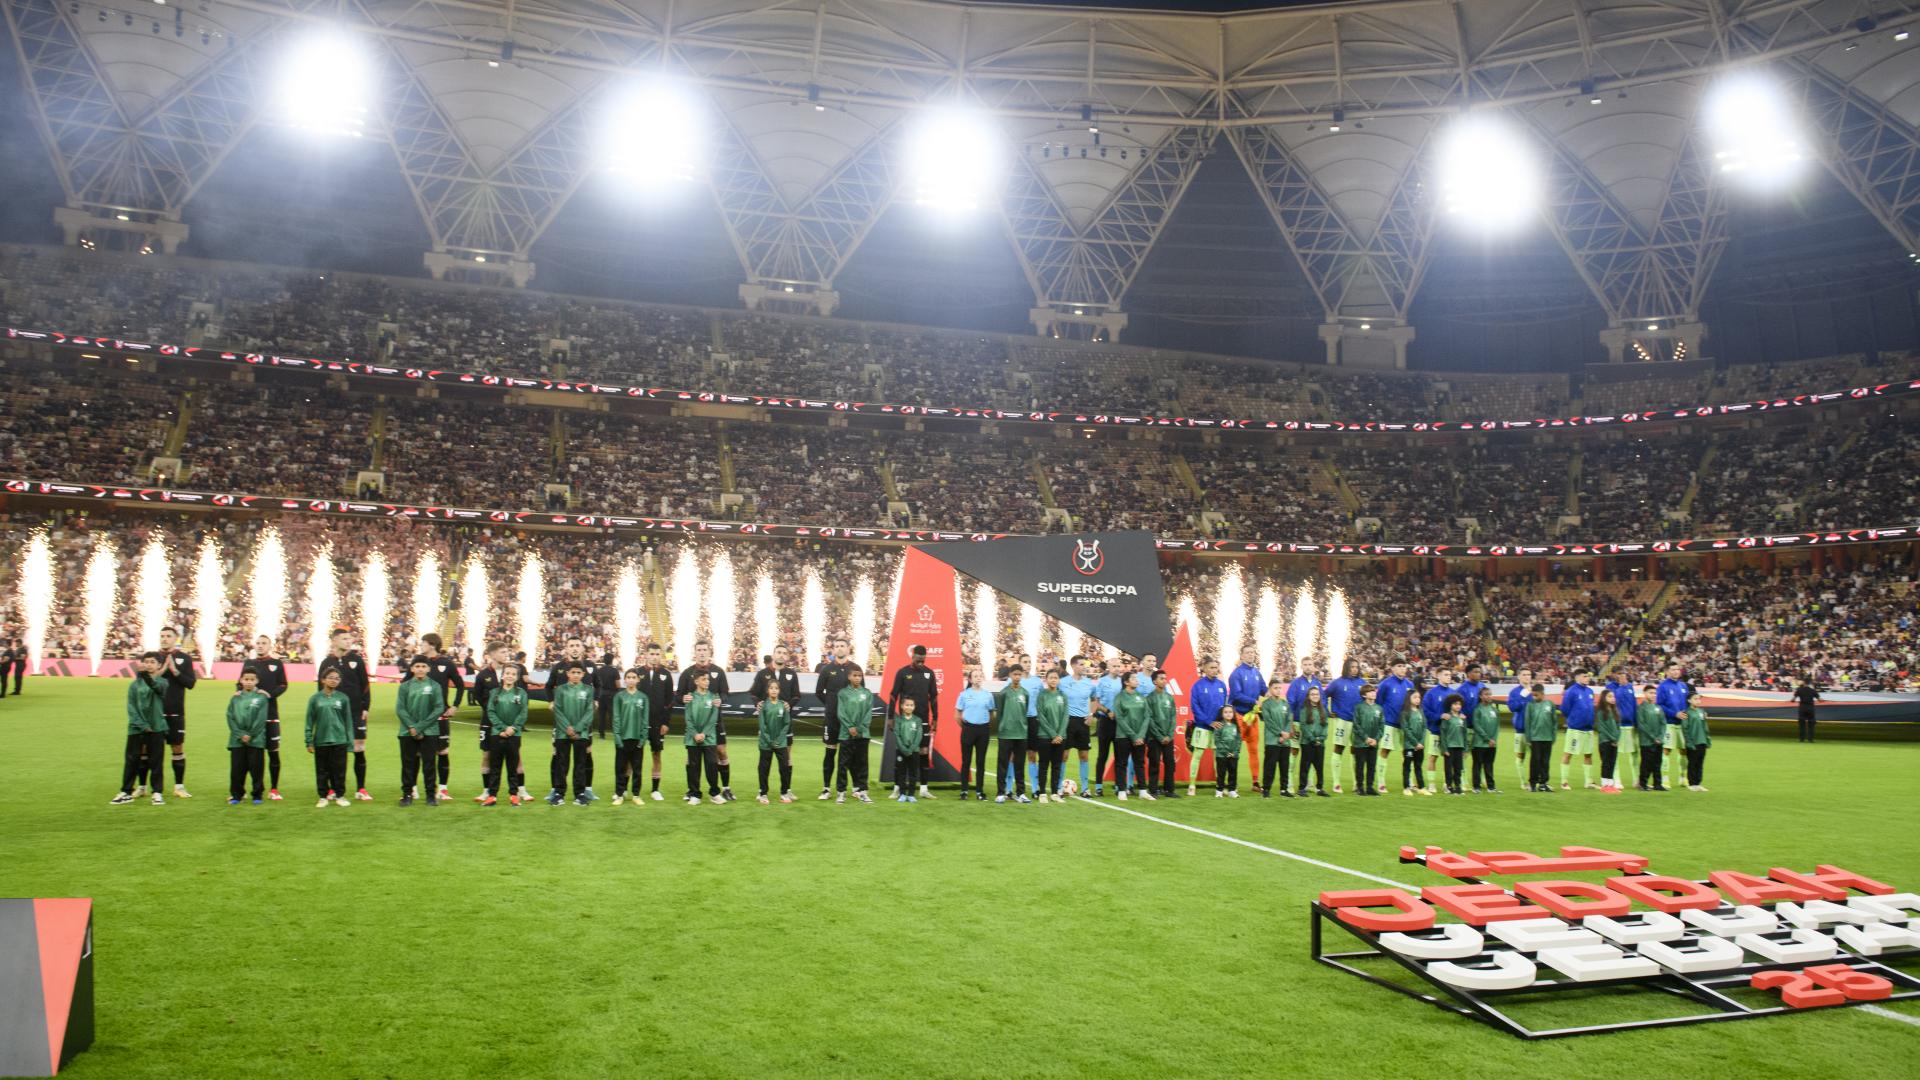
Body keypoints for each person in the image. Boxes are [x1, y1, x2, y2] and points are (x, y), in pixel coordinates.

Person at [317, 629, 374, 802]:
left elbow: (365, 685)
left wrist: (365, 707)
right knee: (334, 751)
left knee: (359, 748)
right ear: (334, 640)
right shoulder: (326, 662)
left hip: (356, 712)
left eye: (350, 638)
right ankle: (333, 789)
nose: (349, 641)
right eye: (344, 638)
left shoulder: (357, 660)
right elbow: (320, 689)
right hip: (333, 713)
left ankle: (361, 788)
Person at [112, 652, 170, 805]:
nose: (149, 664)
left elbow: (157, 688)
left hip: (156, 727)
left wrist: (145, 676)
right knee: (131, 760)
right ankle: (126, 791)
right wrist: (142, 725)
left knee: (156, 762)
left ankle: (157, 792)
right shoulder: (134, 685)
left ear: (159, 665)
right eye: (146, 662)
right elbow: (131, 707)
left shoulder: (163, 682)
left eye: (152, 662)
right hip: (136, 728)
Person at [678, 641, 733, 800]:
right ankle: (692, 790)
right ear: (695, 652)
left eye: (704, 650)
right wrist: (682, 698)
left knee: (721, 751)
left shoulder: (718, 671)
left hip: (714, 719)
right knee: (692, 757)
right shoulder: (687, 673)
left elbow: (725, 693)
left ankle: (726, 788)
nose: (702, 652)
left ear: (709, 652)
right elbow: (679, 695)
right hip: (695, 722)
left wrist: (721, 699)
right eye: (699, 650)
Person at [885, 644, 939, 800]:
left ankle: (923, 789)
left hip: (923, 720)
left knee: (923, 753)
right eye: (918, 659)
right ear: (913, 656)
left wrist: (935, 718)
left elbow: (934, 697)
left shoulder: (929, 673)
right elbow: (893, 695)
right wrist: (890, 717)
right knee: (902, 753)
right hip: (904, 721)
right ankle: (897, 788)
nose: (921, 662)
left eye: (923, 660)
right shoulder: (903, 672)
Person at [238, 636, 289, 800]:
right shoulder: (249, 663)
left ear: (270, 646)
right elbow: (239, 684)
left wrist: (269, 694)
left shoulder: (276, 663)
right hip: (251, 717)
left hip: (270, 715)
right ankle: (243, 790)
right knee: (249, 755)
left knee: (273, 752)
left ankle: (274, 789)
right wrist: (240, 693)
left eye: (264, 643)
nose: (260, 646)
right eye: (258, 643)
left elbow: (283, 685)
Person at [413, 633, 461, 801]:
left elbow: (460, 685)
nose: (421, 646)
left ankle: (443, 789)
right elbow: (406, 683)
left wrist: (454, 705)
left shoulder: (446, 663)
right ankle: (413, 788)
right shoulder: (418, 662)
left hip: (440, 716)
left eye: (423, 643)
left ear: (432, 645)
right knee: (418, 753)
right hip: (420, 716)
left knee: (443, 751)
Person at [156, 626, 198, 799]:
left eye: (168, 636)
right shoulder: (153, 657)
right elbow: (143, 680)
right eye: (162, 636)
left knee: (177, 748)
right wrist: (161, 670)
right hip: (155, 713)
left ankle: (179, 787)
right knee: (149, 750)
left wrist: (175, 671)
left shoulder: (184, 658)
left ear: (175, 639)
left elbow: (191, 683)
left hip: (175, 712)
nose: (164, 639)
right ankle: (145, 787)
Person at [395, 658, 444, 806]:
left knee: (429, 765)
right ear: (412, 669)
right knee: (408, 765)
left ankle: (430, 796)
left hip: (430, 731)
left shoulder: (435, 686)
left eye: (423, 666)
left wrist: (419, 727)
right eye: (417, 666)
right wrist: (411, 726)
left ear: (428, 669)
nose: (420, 669)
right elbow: (400, 709)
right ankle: (407, 795)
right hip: (407, 731)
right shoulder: (405, 686)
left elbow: (439, 708)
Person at [304, 667, 354, 807]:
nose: (333, 680)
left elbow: (348, 721)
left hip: (339, 740)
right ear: (323, 680)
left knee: (339, 770)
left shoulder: (343, 698)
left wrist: (350, 741)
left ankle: (340, 795)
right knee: (322, 771)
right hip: (321, 740)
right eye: (331, 677)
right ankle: (323, 797)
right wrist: (309, 741)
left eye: (337, 678)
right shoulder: (315, 699)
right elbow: (309, 721)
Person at [548, 663, 596, 806]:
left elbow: (589, 711)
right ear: (568, 673)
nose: (576, 675)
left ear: (583, 674)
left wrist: (578, 728)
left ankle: (579, 794)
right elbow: (558, 710)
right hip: (563, 733)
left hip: (581, 734)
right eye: (573, 672)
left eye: (578, 672)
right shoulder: (560, 689)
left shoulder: (588, 690)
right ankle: (559, 793)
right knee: (561, 764)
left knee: (580, 764)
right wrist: (567, 728)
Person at [813, 638, 853, 799]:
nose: (839, 648)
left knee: (849, 754)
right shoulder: (827, 669)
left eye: (842, 646)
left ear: (848, 648)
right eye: (837, 646)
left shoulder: (855, 669)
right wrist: (831, 704)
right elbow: (818, 692)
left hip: (849, 719)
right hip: (832, 719)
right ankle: (826, 788)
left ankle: (853, 788)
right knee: (830, 753)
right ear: (833, 650)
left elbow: (861, 691)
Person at [483, 665, 528, 806]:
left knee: (512, 766)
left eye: (513, 674)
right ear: (502, 675)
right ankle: (492, 796)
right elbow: (490, 711)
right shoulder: (494, 692)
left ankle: (513, 795)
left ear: (517, 677)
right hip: (497, 734)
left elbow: (523, 713)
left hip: (514, 734)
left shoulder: (521, 693)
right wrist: (502, 728)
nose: (510, 676)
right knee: (495, 766)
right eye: (507, 673)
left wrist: (513, 728)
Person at [636, 644, 675, 801]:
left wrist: (665, 722)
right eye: (652, 654)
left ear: (661, 655)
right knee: (633, 755)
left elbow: (669, 701)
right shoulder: (638, 672)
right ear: (646, 654)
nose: (654, 657)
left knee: (656, 754)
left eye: (657, 654)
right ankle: (624, 789)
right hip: (639, 722)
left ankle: (655, 790)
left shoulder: (666, 674)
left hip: (658, 722)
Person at [226, 670, 271, 805]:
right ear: (241, 680)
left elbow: (261, 719)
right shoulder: (235, 698)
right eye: (246, 679)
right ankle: (236, 795)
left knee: (256, 769)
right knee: (237, 770)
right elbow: (230, 717)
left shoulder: (261, 698)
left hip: (256, 740)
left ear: (257, 681)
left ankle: (257, 795)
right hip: (237, 740)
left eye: (252, 679)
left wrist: (250, 734)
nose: (249, 682)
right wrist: (240, 734)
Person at [833, 666, 876, 804]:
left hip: (863, 735)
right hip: (846, 734)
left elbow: (868, 713)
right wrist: (849, 726)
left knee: (862, 763)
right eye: (855, 675)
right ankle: (841, 792)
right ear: (849, 677)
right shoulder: (843, 693)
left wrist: (860, 728)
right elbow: (841, 712)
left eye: (860, 676)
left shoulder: (867, 693)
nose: (857, 678)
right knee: (843, 764)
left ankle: (863, 792)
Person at [683, 669, 725, 805]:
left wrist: (704, 734)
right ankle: (695, 794)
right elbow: (688, 718)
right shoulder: (690, 697)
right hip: (692, 738)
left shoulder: (714, 697)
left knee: (712, 765)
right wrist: (695, 734)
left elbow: (713, 718)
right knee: (693, 767)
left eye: (708, 679)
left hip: (709, 738)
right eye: (704, 679)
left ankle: (714, 793)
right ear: (696, 681)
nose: (707, 682)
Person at [1186, 657, 1227, 797]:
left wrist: (1221, 722)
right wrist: (1208, 721)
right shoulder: (1197, 686)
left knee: (1218, 758)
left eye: (1216, 667)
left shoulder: (1221, 685)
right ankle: (1192, 785)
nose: (1215, 670)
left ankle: (1220, 786)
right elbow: (1195, 707)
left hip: (1218, 727)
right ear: (1204, 668)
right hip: (1203, 727)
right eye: (1212, 668)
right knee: (1197, 755)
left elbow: (1225, 706)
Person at [1373, 660, 1415, 795]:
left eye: (1404, 666)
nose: (1402, 668)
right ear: (1392, 668)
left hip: (1405, 724)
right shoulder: (1386, 684)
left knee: (1408, 752)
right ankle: (1381, 782)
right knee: (1385, 750)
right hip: (1389, 722)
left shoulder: (1410, 684)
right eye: (1399, 666)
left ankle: (1409, 781)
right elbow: (1379, 702)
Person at [1092, 657, 1131, 797]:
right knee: (1102, 755)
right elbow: (1097, 703)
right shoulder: (1102, 681)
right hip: (1105, 721)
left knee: (1119, 755)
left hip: (1119, 723)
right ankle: (1098, 786)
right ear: (1108, 667)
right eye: (1114, 666)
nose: (1116, 668)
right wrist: (1108, 711)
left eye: (1118, 666)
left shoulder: (1123, 682)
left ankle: (1119, 785)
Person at [611, 668, 651, 806]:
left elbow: (645, 720)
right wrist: (617, 737)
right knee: (620, 768)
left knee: (637, 769)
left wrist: (643, 739)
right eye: (628, 677)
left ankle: (636, 795)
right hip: (622, 739)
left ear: (638, 679)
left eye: (634, 677)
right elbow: (616, 718)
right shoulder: (619, 696)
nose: (631, 680)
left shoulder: (643, 697)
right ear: (625, 680)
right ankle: (619, 794)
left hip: (637, 739)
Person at [992, 664, 1031, 804]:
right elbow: (999, 713)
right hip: (1006, 734)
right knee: (1002, 764)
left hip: (1021, 734)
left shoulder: (1025, 693)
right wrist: (1002, 728)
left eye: (1019, 674)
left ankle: (1021, 793)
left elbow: (1025, 711)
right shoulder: (1003, 693)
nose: (1017, 677)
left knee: (1020, 765)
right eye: (1015, 674)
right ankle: (1000, 793)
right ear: (1010, 675)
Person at [1058, 655, 1096, 798]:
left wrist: (1091, 714)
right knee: (1064, 755)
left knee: (1084, 756)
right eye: (1081, 664)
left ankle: (1085, 789)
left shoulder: (1089, 683)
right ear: (1073, 666)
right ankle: (1059, 787)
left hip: (1083, 722)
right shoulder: (1063, 682)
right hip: (1068, 721)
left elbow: (1094, 699)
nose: (1084, 667)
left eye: (1084, 664)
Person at [1325, 659, 1365, 795]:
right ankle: (1336, 783)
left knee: (1356, 751)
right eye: (1352, 667)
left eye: (1356, 667)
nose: (1355, 669)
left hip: (1358, 722)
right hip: (1342, 720)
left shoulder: (1361, 683)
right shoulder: (1337, 683)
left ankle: (1356, 783)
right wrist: (1327, 711)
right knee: (1339, 749)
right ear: (1346, 667)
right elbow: (1324, 695)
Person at [955, 669, 996, 800]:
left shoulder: (988, 695)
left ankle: (979, 791)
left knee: (980, 761)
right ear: (970, 679)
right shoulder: (964, 694)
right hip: (968, 730)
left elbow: (992, 713)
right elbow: (957, 715)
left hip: (983, 730)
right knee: (966, 761)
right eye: (975, 676)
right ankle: (964, 790)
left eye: (980, 676)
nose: (978, 678)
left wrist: (985, 725)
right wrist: (966, 727)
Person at [1109, 670, 1149, 801]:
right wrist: (1134, 736)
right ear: (1126, 682)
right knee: (1122, 763)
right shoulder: (1119, 697)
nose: (1137, 680)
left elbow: (1147, 716)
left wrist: (1141, 735)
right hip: (1123, 736)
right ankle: (1121, 790)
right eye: (1134, 678)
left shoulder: (1141, 697)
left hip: (1139, 737)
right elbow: (1119, 718)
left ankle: (1143, 790)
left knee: (1140, 763)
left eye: (1137, 678)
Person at [755, 680, 795, 804]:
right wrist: (770, 740)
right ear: (767, 690)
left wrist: (779, 739)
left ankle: (784, 793)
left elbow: (786, 723)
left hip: (780, 743)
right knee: (764, 768)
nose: (773, 690)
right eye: (771, 688)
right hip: (766, 743)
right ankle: (763, 793)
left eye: (776, 688)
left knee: (784, 767)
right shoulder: (763, 706)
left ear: (779, 690)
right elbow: (762, 725)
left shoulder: (783, 705)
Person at [1032, 669, 1069, 803]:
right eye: (1051, 677)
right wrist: (1053, 734)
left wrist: (1059, 734)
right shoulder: (1042, 695)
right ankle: (1042, 793)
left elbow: (1065, 716)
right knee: (1043, 765)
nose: (1053, 680)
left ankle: (1054, 793)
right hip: (1044, 736)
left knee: (1057, 765)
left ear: (1059, 680)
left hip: (1060, 737)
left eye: (1056, 678)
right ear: (1046, 680)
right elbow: (1041, 716)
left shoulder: (1063, 696)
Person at [1254, 679, 1294, 797]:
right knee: (1270, 766)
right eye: (1275, 688)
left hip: (1285, 741)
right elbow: (1268, 721)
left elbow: (1289, 720)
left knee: (1284, 766)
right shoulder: (1266, 704)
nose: (1278, 690)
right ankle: (1266, 789)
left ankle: (1284, 790)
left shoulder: (1285, 704)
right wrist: (1280, 733)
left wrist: (1285, 734)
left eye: (1279, 688)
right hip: (1272, 740)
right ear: (1270, 689)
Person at [1559, 671, 1597, 791]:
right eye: (1584, 676)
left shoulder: (1590, 691)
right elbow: (1564, 709)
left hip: (1588, 729)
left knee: (1588, 754)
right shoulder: (1571, 691)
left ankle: (1588, 781)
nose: (1587, 678)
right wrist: (1574, 719)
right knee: (1568, 753)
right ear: (1577, 678)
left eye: (1588, 676)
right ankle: (1564, 782)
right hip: (1575, 729)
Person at [1655, 663, 1690, 790]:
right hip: (1669, 723)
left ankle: (1683, 777)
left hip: (1682, 724)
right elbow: (1660, 705)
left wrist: (1688, 713)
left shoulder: (1683, 686)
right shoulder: (1663, 686)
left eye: (1677, 669)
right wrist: (1674, 713)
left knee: (1684, 750)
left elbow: (1688, 703)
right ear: (1667, 672)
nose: (1676, 671)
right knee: (1666, 750)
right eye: (1673, 669)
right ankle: (1665, 778)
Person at [1605, 669, 1638, 793]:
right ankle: (1616, 779)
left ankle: (1636, 779)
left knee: (1634, 752)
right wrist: (1621, 686)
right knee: (1615, 753)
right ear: (1614, 675)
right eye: (1619, 674)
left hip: (1630, 725)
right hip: (1618, 725)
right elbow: (1611, 704)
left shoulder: (1630, 687)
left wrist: (1636, 722)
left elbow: (1634, 704)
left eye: (1623, 674)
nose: (1622, 676)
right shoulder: (1610, 688)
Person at [1144, 669, 1176, 800]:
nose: (1164, 680)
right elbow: (1149, 719)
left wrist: (1169, 735)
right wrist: (1160, 736)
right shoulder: (1149, 698)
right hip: (1154, 737)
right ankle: (1153, 790)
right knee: (1154, 764)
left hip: (1168, 737)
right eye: (1161, 678)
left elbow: (1173, 717)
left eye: (1165, 678)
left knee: (1170, 764)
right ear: (1154, 681)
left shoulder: (1169, 698)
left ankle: (1169, 789)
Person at [1419, 668, 1451, 795]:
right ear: (1438, 676)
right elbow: (1425, 711)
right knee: (1433, 757)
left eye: (1449, 674)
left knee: (1449, 758)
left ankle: (1447, 784)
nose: (1449, 676)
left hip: (1450, 733)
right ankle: (1431, 784)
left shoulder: (1453, 693)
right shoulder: (1431, 693)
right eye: (1446, 674)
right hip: (1436, 730)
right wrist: (1439, 716)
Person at [888, 697, 926, 804]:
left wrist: (911, 749)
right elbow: (897, 735)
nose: (909, 707)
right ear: (902, 706)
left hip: (914, 751)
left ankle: (911, 795)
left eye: (911, 705)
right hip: (901, 751)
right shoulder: (898, 720)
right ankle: (902, 794)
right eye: (907, 705)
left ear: (914, 707)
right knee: (901, 773)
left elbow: (918, 736)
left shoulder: (917, 720)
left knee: (913, 773)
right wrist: (904, 749)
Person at [1523, 684, 1558, 793]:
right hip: (1535, 738)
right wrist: (1528, 738)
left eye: (1536, 695)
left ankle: (1543, 784)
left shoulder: (1550, 704)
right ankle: (1533, 783)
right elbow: (1527, 722)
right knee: (1535, 761)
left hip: (1547, 738)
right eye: (1533, 695)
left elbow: (1554, 721)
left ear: (1542, 694)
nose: (1534, 697)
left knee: (1545, 762)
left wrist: (1553, 736)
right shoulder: (1530, 705)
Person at [1350, 683, 1383, 797]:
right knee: (1360, 766)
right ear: (1364, 695)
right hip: (1361, 743)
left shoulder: (1379, 708)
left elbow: (1381, 726)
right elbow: (1356, 725)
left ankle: (1370, 787)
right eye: (1370, 691)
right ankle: (1360, 787)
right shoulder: (1359, 707)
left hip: (1374, 743)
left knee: (1372, 766)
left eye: (1374, 691)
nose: (1373, 693)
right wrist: (1366, 738)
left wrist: (1376, 739)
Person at [1294, 690, 1328, 797]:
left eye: (1317, 694)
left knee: (1319, 767)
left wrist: (1321, 738)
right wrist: (1313, 739)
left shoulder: (1323, 710)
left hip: (1320, 744)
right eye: (1312, 694)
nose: (1315, 696)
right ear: (1308, 696)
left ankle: (1319, 788)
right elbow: (1303, 726)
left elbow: (1325, 726)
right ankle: (1302, 788)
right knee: (1305, 766)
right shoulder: (1304, 710)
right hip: (1307, 743)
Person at [1469, 687, 1500, 794]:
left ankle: (1491, 786)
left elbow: (1497, 726)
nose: (1488, 696)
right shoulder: (1478, 710)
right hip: (1479, 743)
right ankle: (1476, 786)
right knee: (1477, 765)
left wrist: (1494, 739)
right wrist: (1487, 739)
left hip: (1492, 744)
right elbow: (1477, 726)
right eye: (1486, 694)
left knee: (1489, 765)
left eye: (1490, 694)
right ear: (1481, 696)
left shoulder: (1494, 710)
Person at [1506, 669, 1534, 786]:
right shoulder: (1514, 692)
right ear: (1519, 677)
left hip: (1534, 730)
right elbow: (1512, 707)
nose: (1527, 677)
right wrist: (1523, 695)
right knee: (1521, 755)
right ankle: (1523, 782)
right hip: (1521, 729)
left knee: (1536, 756)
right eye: (1524, 675)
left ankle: (1535, 781)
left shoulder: (1535, 691)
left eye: (1529, 674)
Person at [1634, 697, 1668, 791]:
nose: (1653, 695)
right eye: (1650, 693)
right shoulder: (1641, 708)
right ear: (1645, 694)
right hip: (1646, 741)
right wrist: (1653, 737)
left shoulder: (1658, 707)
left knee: (1657, 763)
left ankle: (1657, 784)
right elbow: (1642, 725)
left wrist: (1660, 737)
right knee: (1646, 764)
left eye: (1654, 693)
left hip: (1659, 741)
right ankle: (1643, 784)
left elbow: (1663, 723)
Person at [1398, 695, 1428, 797]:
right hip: (1409, 746)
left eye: (1419, 697)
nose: (1418, 699)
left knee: (1418, 766)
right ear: (1409, 699)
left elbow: (1424, 728)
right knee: (1407, 767)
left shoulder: (1421, 712)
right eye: (1415, 697)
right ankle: (1406, 788)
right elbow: (1406, 729)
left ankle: (1421, 787)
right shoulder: (1405, 713)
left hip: (1420, 746)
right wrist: (1415, 743)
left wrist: (1421, 742)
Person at [1438, 694, 1467, 796]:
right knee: (1448, 768)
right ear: (1450, 705)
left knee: (1458, 768)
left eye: (1459, 704)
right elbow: (1443, 733)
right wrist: (1444, 748)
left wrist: (1465, 748)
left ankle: (1458, 786)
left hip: (1459, 746)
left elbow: (1464, 734)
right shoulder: (1447, 718)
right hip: (1449, 747)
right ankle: (1449, 786)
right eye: (1455, 704)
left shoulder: (1462, 718)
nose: (1458, 706)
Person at [1593, 693, 1622, 794]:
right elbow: (1602, 728)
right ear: (1604, 698)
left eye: (1613, 696)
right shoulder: (1601, 712)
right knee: (1606, 763)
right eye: (1609, 696)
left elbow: (1618, 727)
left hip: (1614, 742)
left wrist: (1617, 739)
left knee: (1612, 763)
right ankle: (1605, 785)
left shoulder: (1615, 711)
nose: (1612, 698)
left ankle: (1610, 784)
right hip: (1605, 741)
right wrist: (1613, 739)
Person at [1212, 705, 1242, 798]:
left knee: (1233, 773)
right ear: (1222, 714)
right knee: (1221, 773)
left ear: (1233, 714)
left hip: (1233, 755)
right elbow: (1217, 741)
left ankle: (1232, 790)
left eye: (1230, 712)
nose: (1228, 714)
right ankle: (1219, 790)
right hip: (1221, 755)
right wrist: (1226, 752)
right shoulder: (1219, 725)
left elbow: (1238, 740)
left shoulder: (1235, 726)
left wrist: (1235, 752)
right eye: (1226, 712)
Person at [1681, 700, 1711, 792]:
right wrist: (1689, 743)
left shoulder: (1701, 711)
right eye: (1695, 699)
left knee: (1700, 764)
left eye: (1699, 699)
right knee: (1692, 763)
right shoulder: (1686, 713)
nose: (1698, 701)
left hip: (1702, 741)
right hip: (1693, 742)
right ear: (1689, 700)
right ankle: (1692, 784)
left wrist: (1707, 740)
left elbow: (1705, 726)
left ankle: (1698, 783)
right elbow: (1685, 729)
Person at [1793, 676, 1819, 743]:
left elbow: (1793, 699)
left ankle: (1802, 739)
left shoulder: (1799, 690)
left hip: (1802, 708)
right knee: (1811, 724)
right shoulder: (1813, 690)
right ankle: (1810, 739)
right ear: (1810, 683)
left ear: (1804, 682)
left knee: (1802, 725)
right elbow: (1820, 699)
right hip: (1810, 708)